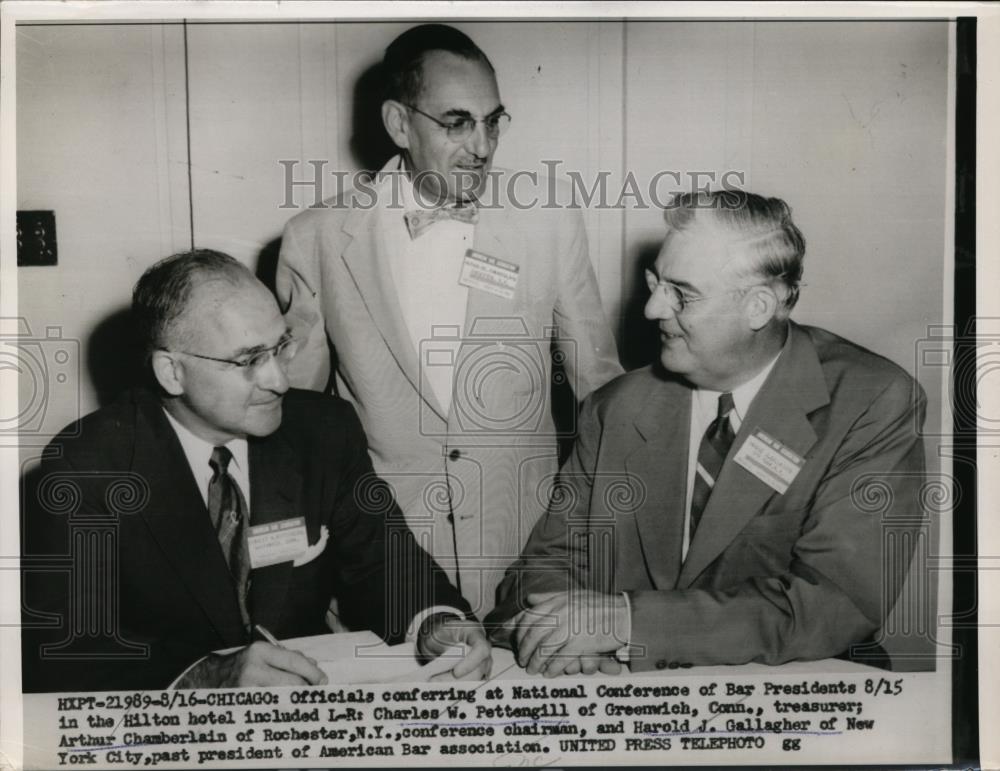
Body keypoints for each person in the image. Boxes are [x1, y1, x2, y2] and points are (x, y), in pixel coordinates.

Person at [487, 190, 927, 675]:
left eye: (682, 293)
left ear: (758, 307)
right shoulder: (615, 407)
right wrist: (559, 631)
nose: (653, 309)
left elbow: (838, 605)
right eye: (655, 282)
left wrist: (630, 624)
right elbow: (540, 570)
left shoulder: (871, 401)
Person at [21, 250, 490, 692]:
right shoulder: (89, 464)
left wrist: (436, 619)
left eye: (281, 347)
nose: (279, 380)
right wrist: (205, 673)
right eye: (249, 360)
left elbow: (384, 562)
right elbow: (62, 643)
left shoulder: (322, 430)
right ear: (171, 373)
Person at [276, 23, 623, 617]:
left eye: (494, 121)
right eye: (458, 122)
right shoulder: (318, 237)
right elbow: (294, 420)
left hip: (529, 548)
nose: (483, 146)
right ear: (397, 123)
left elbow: (603, 391)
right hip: (384, 561)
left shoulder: (549, 219)